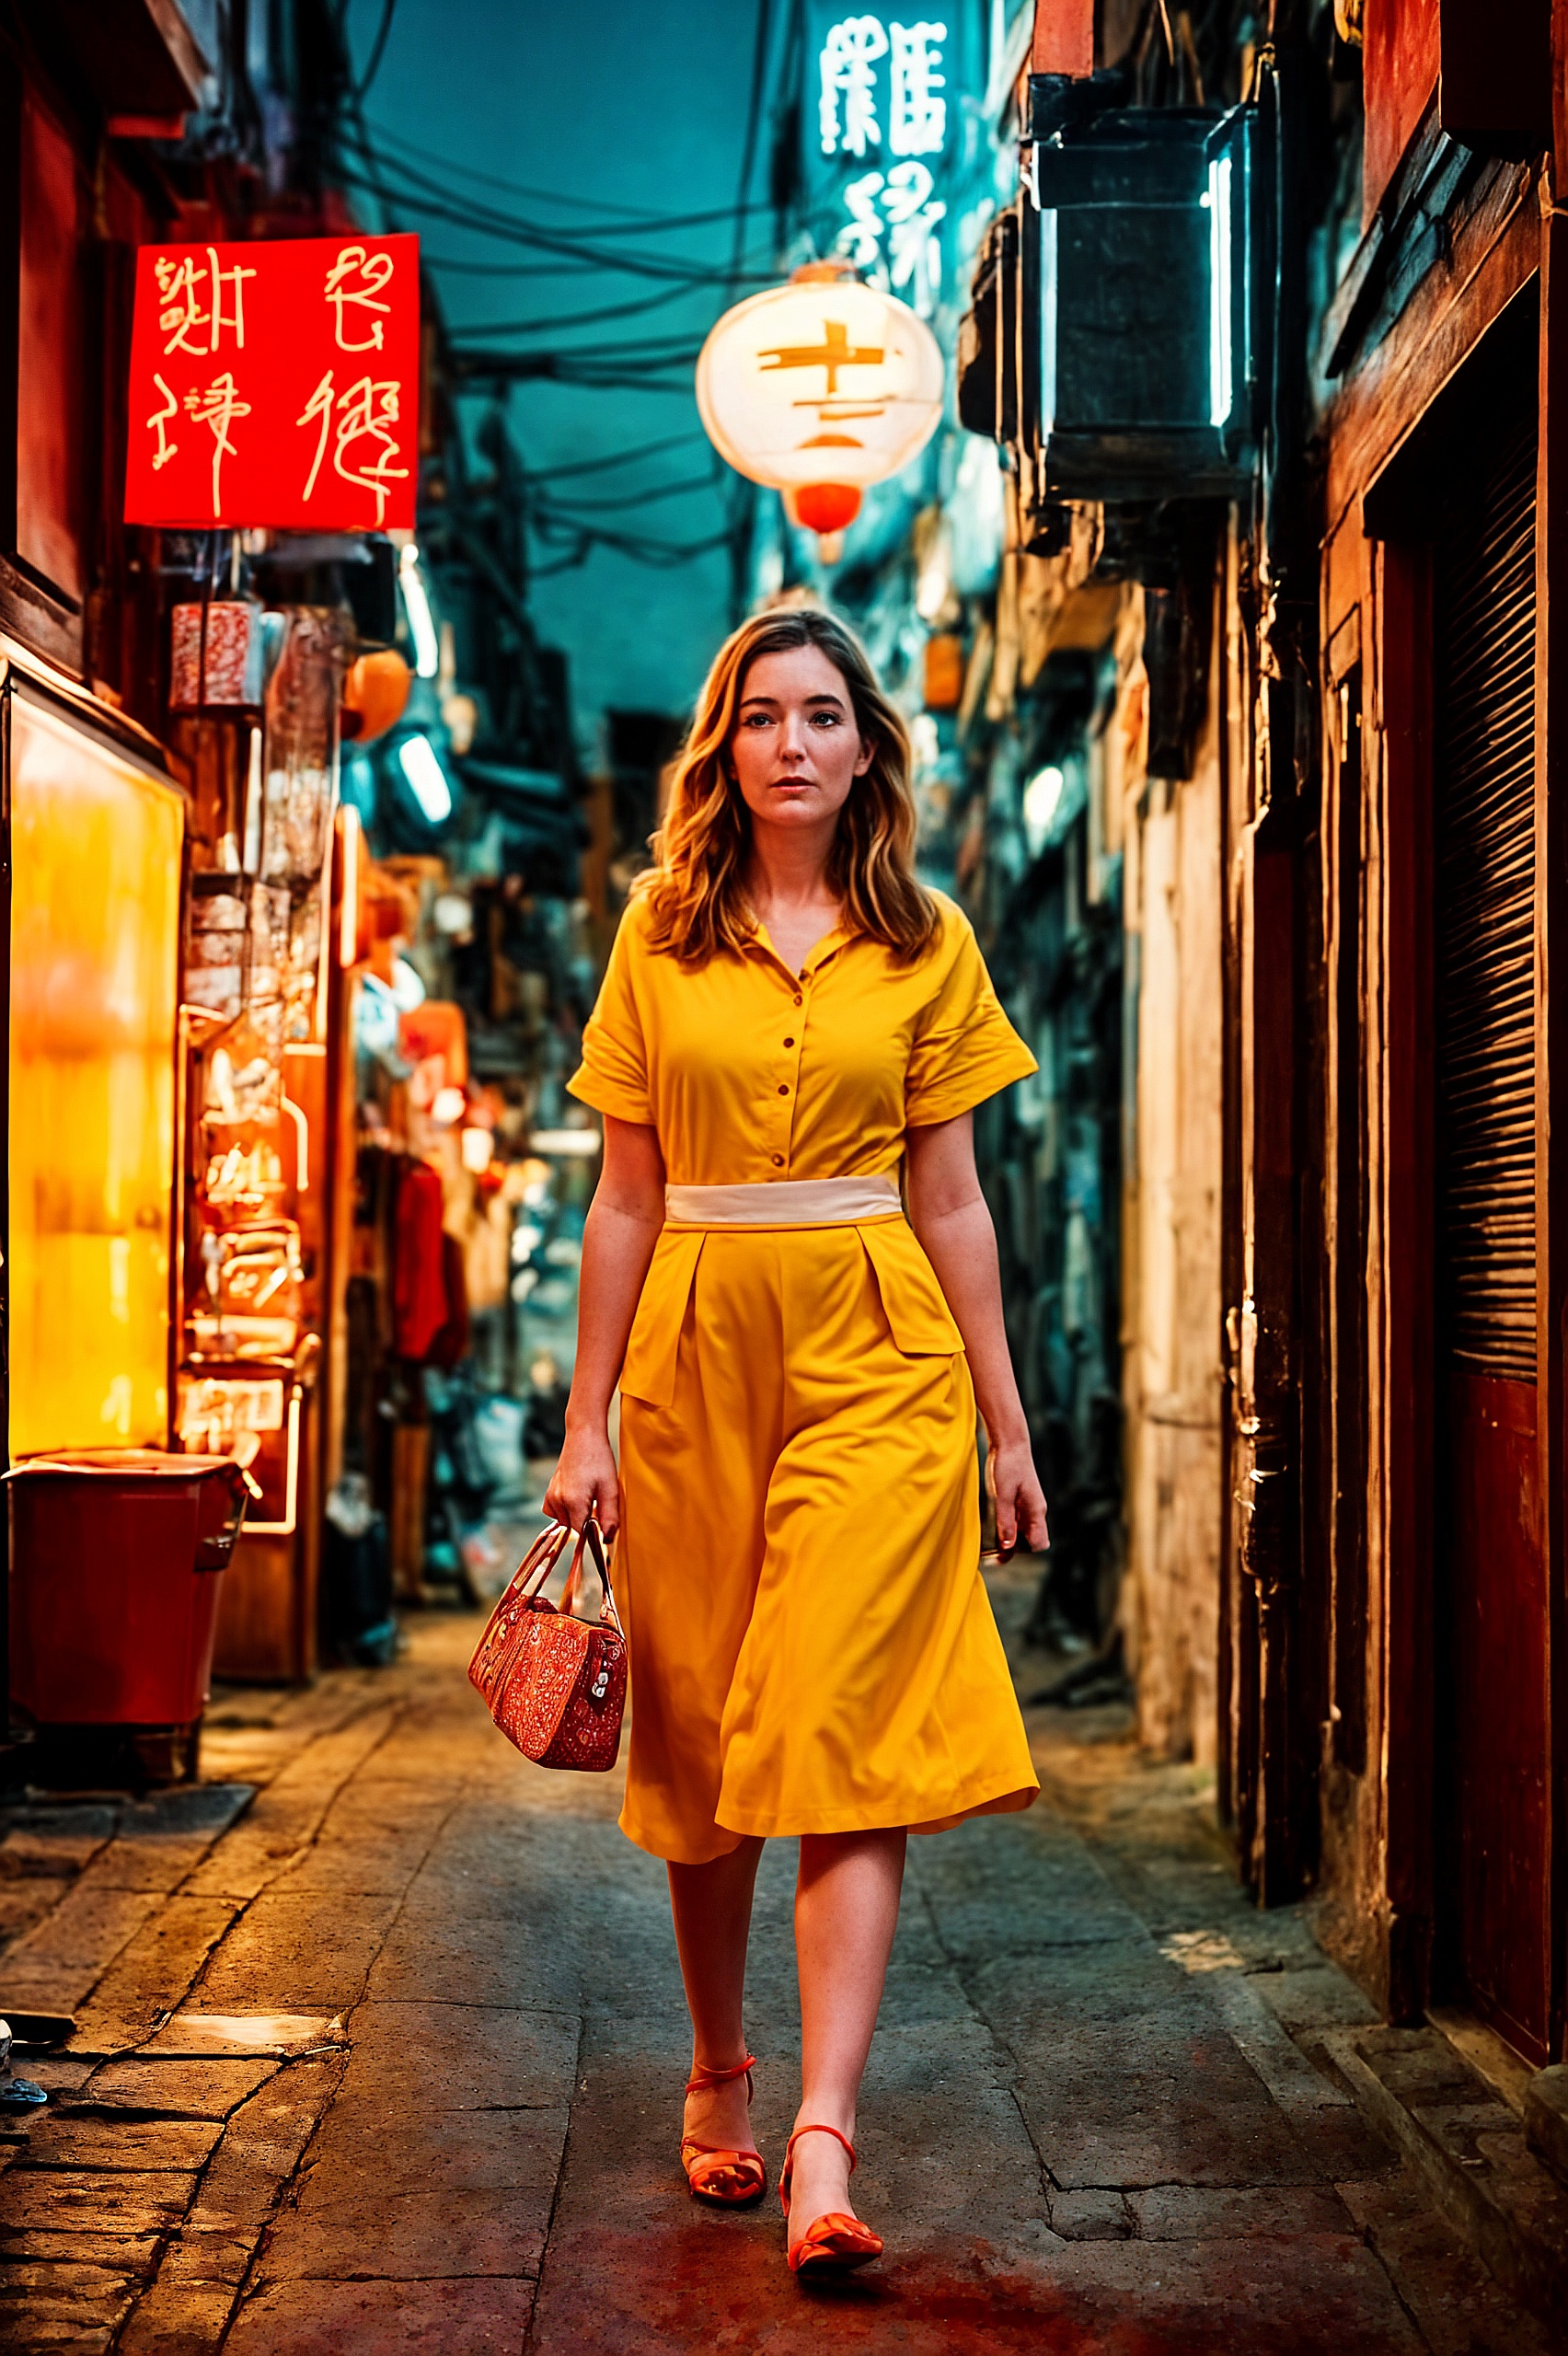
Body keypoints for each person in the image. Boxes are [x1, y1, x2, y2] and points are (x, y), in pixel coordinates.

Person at [544, 605, 1048, 2279]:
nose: (792, 743)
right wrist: (583, 1415)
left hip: (878, 1348)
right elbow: (622, 1196)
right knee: (694, 1732)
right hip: (695, 1344)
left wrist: (1003, 1411)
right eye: (761, 715)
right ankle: (720, 2066)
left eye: (823, 713)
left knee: (840, 1715)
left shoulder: (930, 941)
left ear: (864, 746)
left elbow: (955, 1198)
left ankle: (825, 2134)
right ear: (726, 746)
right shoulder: (656, 936)